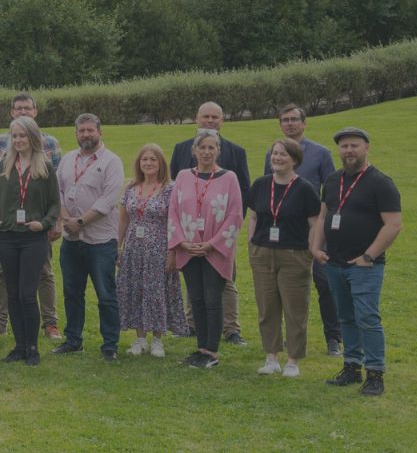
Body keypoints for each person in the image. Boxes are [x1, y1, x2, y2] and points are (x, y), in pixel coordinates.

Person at [314, 127, 401, 397]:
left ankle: (375, 373)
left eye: (354, 146)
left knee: (367, 318)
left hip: (364, 266)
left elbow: (393, 224)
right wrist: (316, 247)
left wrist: (368, 256)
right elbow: (323, 216)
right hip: (334, 263)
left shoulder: (380, 182)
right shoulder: (331, 180)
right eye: (344, 146)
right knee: (346, 317)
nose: (349, 151)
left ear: (366, 148)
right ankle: (352, 367)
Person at [170, 101, 250, 346]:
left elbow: (241, 198)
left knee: (223, 286)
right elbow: (175, 196)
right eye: (206, 116)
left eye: (215, 117)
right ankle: (192, 327)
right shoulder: (181, 150)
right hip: (189, 240)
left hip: (219, 237)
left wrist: (222, 238)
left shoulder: (236, 153)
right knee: (197, 292)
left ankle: (230, 329)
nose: (210, 120)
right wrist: (183, 241)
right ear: (197, 118)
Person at [0, 93, 62, 341]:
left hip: (34, 233)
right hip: (8, 233)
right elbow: (0, 195)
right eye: (15, 136)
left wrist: (48, 222)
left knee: (37, 281)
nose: (18, 140)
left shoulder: (47, 157)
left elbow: (54, 198)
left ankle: (46, 328)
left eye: (22, 136)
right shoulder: (4, 157)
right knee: (6, 281)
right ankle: (4, 326)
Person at [247, 138, 322, 378]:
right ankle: (271, 357)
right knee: (267, 308)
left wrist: (310, 250)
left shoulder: (305, 188)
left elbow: (314, 223)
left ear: (295, 160)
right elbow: (254, 218)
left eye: (283, 154)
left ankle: (293, 360)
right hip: (262, 253)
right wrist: (251, 245)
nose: (277, 158)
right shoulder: (260, 185)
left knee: (294, 308)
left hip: (294, 255)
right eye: (275, 153)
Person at [54, 114, 125, 361]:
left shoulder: (111, 162)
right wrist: (66, 220)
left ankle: (110, 344)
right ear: (76, 133)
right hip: (71, 240)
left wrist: (80, 221)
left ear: (99, 132)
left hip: (100, 240)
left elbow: (109, 199)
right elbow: (59, 192)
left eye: (90, 130)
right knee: (72, 293)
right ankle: (73, 340)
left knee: (106, 294)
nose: (86, 134)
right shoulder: (66, 160)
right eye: (81, 130)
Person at [274, 104, 341, 356]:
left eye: (294, 119)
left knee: (325, 283)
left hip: (315, 229)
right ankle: (287, 337)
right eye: (285, 120)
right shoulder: (275, 153)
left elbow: (332, 190)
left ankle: (333, 338)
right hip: (284, 232)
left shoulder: (320, 154)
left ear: (304, 123)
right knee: (284, 287)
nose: (289, 124)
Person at [116, 144, 187, 357]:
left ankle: (157, 339)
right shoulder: (130, 188)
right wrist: (117, 246)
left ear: (161, 163)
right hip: (133, 249)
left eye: (153, 159)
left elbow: (176, 222)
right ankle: (139, 339)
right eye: (144, 159)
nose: (148, 163)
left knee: (156, 293)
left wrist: (173, 252)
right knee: (135, 290)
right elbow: (123, 219)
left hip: (159, 249)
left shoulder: (170, 188)